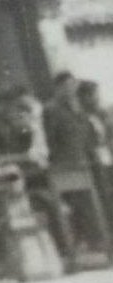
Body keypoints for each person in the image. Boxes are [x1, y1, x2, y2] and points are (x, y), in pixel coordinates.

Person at [43, 72, 107, 255]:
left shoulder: (77, 106)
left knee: (96, 202)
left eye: (73, 86)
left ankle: (100, 241)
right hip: (68, 163)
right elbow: (51, 139)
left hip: (87, 160)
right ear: (58, 87)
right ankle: (90, 243)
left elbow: (86, 133)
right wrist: (59, 161)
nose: (71, 90)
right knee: (79, 205)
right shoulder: (51, 109)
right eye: (67, 86)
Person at [78, 80, 113, 227]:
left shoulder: (103, 113)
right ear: (84, 97)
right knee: (105, 194)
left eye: (97, 94)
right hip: (96, 160)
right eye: (92, 95)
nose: (96, 98)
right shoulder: (80, 116)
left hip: (108, 155)